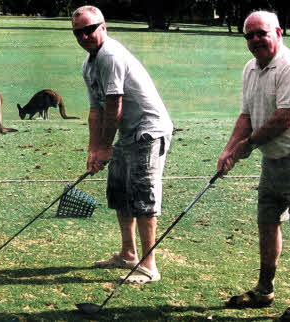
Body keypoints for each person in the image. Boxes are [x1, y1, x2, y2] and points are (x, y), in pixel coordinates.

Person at [216, 11, 290, 321]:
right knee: (267, 222)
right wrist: (229, 150)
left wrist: (247, 145)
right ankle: (264, 289)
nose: (255, 40)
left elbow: (285, 118)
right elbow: (246, 116)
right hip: (273, 160)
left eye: (261, 33)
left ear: (278, 33)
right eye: (249, 36)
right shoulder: (250, 68)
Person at [72, 6, 173, 284]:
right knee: (119, 192)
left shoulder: (111, 55)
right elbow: (96, 111)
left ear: (103, 27)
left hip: (148, 131)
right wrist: (94, 149)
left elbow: (114, 105)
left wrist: (106, 147)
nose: (85, 36)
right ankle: (128, 253)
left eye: (90, 29)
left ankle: (148, 266)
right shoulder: (88, 64)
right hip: (126, 132)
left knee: (143, 196)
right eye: (78, 32)